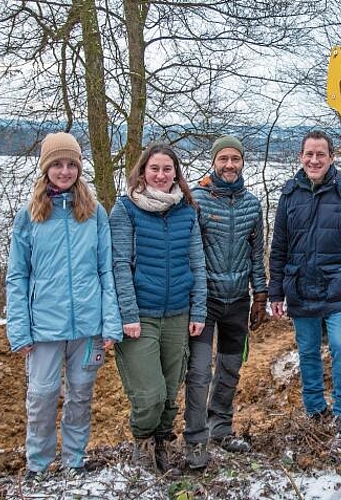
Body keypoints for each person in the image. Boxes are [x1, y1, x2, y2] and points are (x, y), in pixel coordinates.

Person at [5, 132, 122, 482]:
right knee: (41, 397)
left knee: (81, 396)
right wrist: (19, 329)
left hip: (88, 326)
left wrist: (110, 322)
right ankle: (38, 464)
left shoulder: (94, 212)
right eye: (57, 164)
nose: (65, 170)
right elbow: (17, 277)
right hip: (44, 326)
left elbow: (107, 270)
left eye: (71, 164)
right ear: (46, 169)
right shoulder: (30, 216)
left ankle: (74, 460)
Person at [269, 130, 341, 437]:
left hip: (340, 286)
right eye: (309, 154)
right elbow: (279, 247)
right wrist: (275, 291)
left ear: (332, 158)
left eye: (321, 154)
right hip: (301, 286)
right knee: (307, 351)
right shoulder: (290, 194)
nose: (314, 160)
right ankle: (315, 409)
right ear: (300, 157)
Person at [110, 143, 207, 474]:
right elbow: (119, 264)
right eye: (155, 169)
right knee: (149, 395)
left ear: (176, 174)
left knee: (169, 394)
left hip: (178, 314)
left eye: (168, 170)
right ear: (142, 172)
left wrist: (198, 311)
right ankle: (141, 441)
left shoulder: (187, 210)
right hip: (141, 316)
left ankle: (160, 446)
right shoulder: (125, 209)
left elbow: (197, 262)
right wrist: (128, 314)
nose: (161, 175)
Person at [184, 135, 267, 469]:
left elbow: (256, 254)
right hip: (205, 300)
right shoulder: (196, 200)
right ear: (213, 162)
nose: (229, 165)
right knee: (200, 370)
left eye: (235, 159)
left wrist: (260, 294)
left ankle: (221, 428)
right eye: (224, 159)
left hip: (238, 300)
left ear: (242, 162)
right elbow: (189, 252)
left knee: (230, 369)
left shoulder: (251, 204)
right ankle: (196, 436)